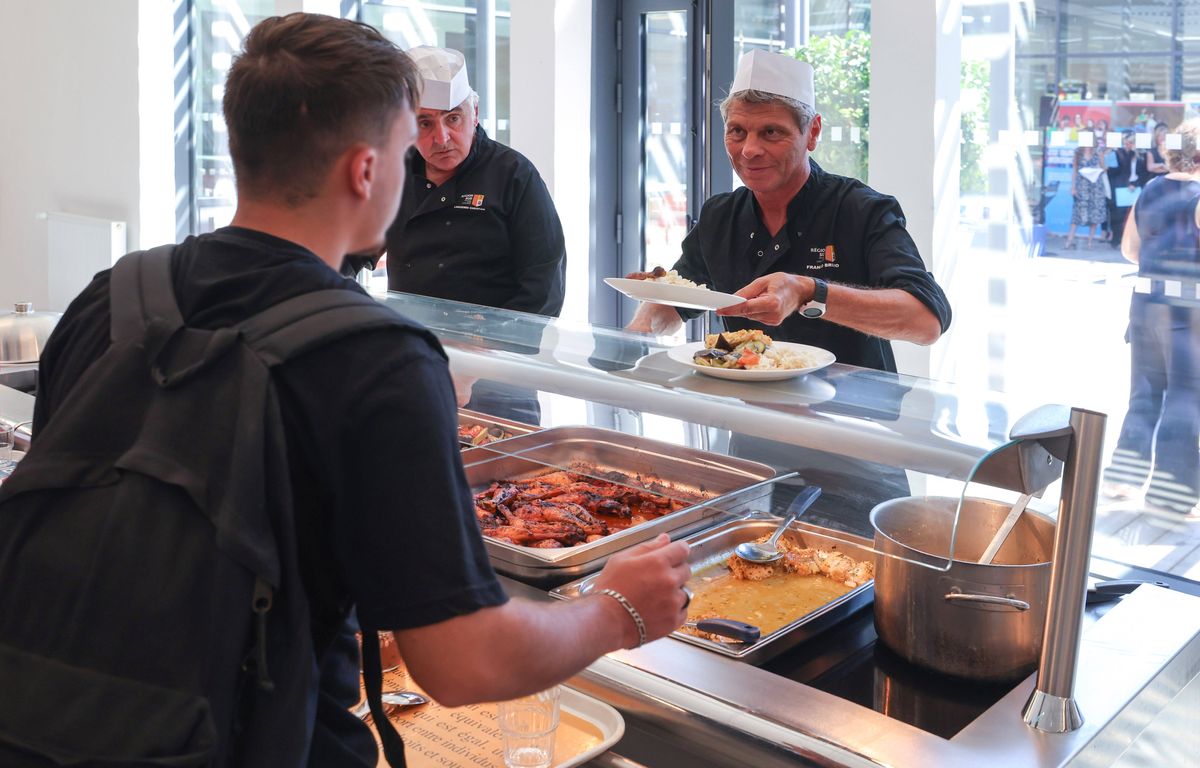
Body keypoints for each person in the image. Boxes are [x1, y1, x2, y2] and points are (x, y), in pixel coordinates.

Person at [25, 14, 690, 766]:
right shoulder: (379, 361)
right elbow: (463, 662)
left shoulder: (111, 296)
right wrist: (617, 610)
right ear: (365, 171)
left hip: (50, 718)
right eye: (408, 144)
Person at [627, 50, 951, 373]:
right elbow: (677, 300)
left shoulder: (861, 209)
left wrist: (809, 291)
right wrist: (637, 336)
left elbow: (926, 321)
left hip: (850, 415)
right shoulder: (720, 216)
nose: (750, 150)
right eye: (737, 131)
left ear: (812, 132)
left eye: (771, 132)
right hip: (749, 413)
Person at [384, 46, 565, 317]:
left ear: (475, 113)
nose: (442, 138)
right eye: (425, 123)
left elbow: (545, 283)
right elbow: (351, 249)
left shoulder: (515, 174)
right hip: (410, 338)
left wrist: (496, 338)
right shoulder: (393, 172)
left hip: (490, 350)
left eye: (453, 118)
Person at [1103, 118, 1200, 520]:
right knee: (1186, 398)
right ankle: (1171, 496)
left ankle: (1121, 479)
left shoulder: (1150, 189)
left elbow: (1130, 249)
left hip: (1144, 305)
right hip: (1187, 312)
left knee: (1144, 393)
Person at [1107, 129, 1149, 247]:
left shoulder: (1141, 155)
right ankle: (1116, 240)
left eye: (1131, 142)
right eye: (1127, 142)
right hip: (1122, 188)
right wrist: (1127, 184)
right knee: (1118, 215)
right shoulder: (1119, 154)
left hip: (1136, 187)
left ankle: (1133, 241)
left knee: (1135, 215)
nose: (1129, 145)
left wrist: (1134, 184)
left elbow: (1143, 173)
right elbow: (1116, 171)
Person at [1064, 144, 1108, 250]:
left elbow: (1104, 169)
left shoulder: (1097, 152)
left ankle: (1090, 242)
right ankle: (1069, 241)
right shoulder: (1078, 152)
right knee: (1077, 213)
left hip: (1095, 186)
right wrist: (1073, 186)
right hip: (1081, 186)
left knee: (1095, 214)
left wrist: (1101, 158)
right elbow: (1074, 170)